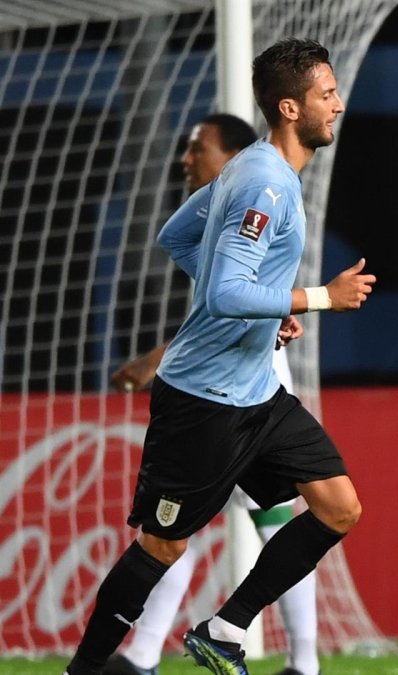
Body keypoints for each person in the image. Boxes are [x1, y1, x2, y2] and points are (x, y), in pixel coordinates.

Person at [64, 38, 375, 675]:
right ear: (290, 108)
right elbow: (225, 290)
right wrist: (320, 297)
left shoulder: (259, 167)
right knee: (162, 545)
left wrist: (269, 307)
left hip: (256, 393)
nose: (338, 105)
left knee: (338, 506)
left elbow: (176, 237)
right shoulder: (265, 184)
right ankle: (85, 671)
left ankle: (225, 628)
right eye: (326, 95)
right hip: (203, 402)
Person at [104, 114, 322, 675]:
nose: (186, 159)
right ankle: (147, 652)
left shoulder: (258, 189)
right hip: (218, 379)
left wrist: (300, 301)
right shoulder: (235, 198)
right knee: (179, 526)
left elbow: (228, 298)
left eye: (197, 148)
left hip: (250, 384)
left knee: (266, 519)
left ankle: (302, 661)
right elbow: (216, 295)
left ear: (229, 156)